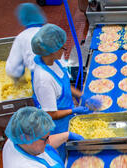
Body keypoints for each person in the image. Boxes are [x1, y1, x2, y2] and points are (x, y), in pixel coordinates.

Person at [31, 23, 100, 159]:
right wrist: (74, 110)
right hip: (56, 125)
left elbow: (64, 85)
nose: (64, 50)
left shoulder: (54, 61)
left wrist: (82, 95)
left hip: (66, 115)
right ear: (51, 52)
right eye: (61, 48)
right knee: (62, 154)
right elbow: (50, 114)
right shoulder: (43, 79)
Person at [5, 3, 47, 79]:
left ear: (23, 18)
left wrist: (18, 79)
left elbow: (12, 68)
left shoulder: (22, 37)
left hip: (41, 80)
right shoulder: (51, 32)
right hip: (63, 78)